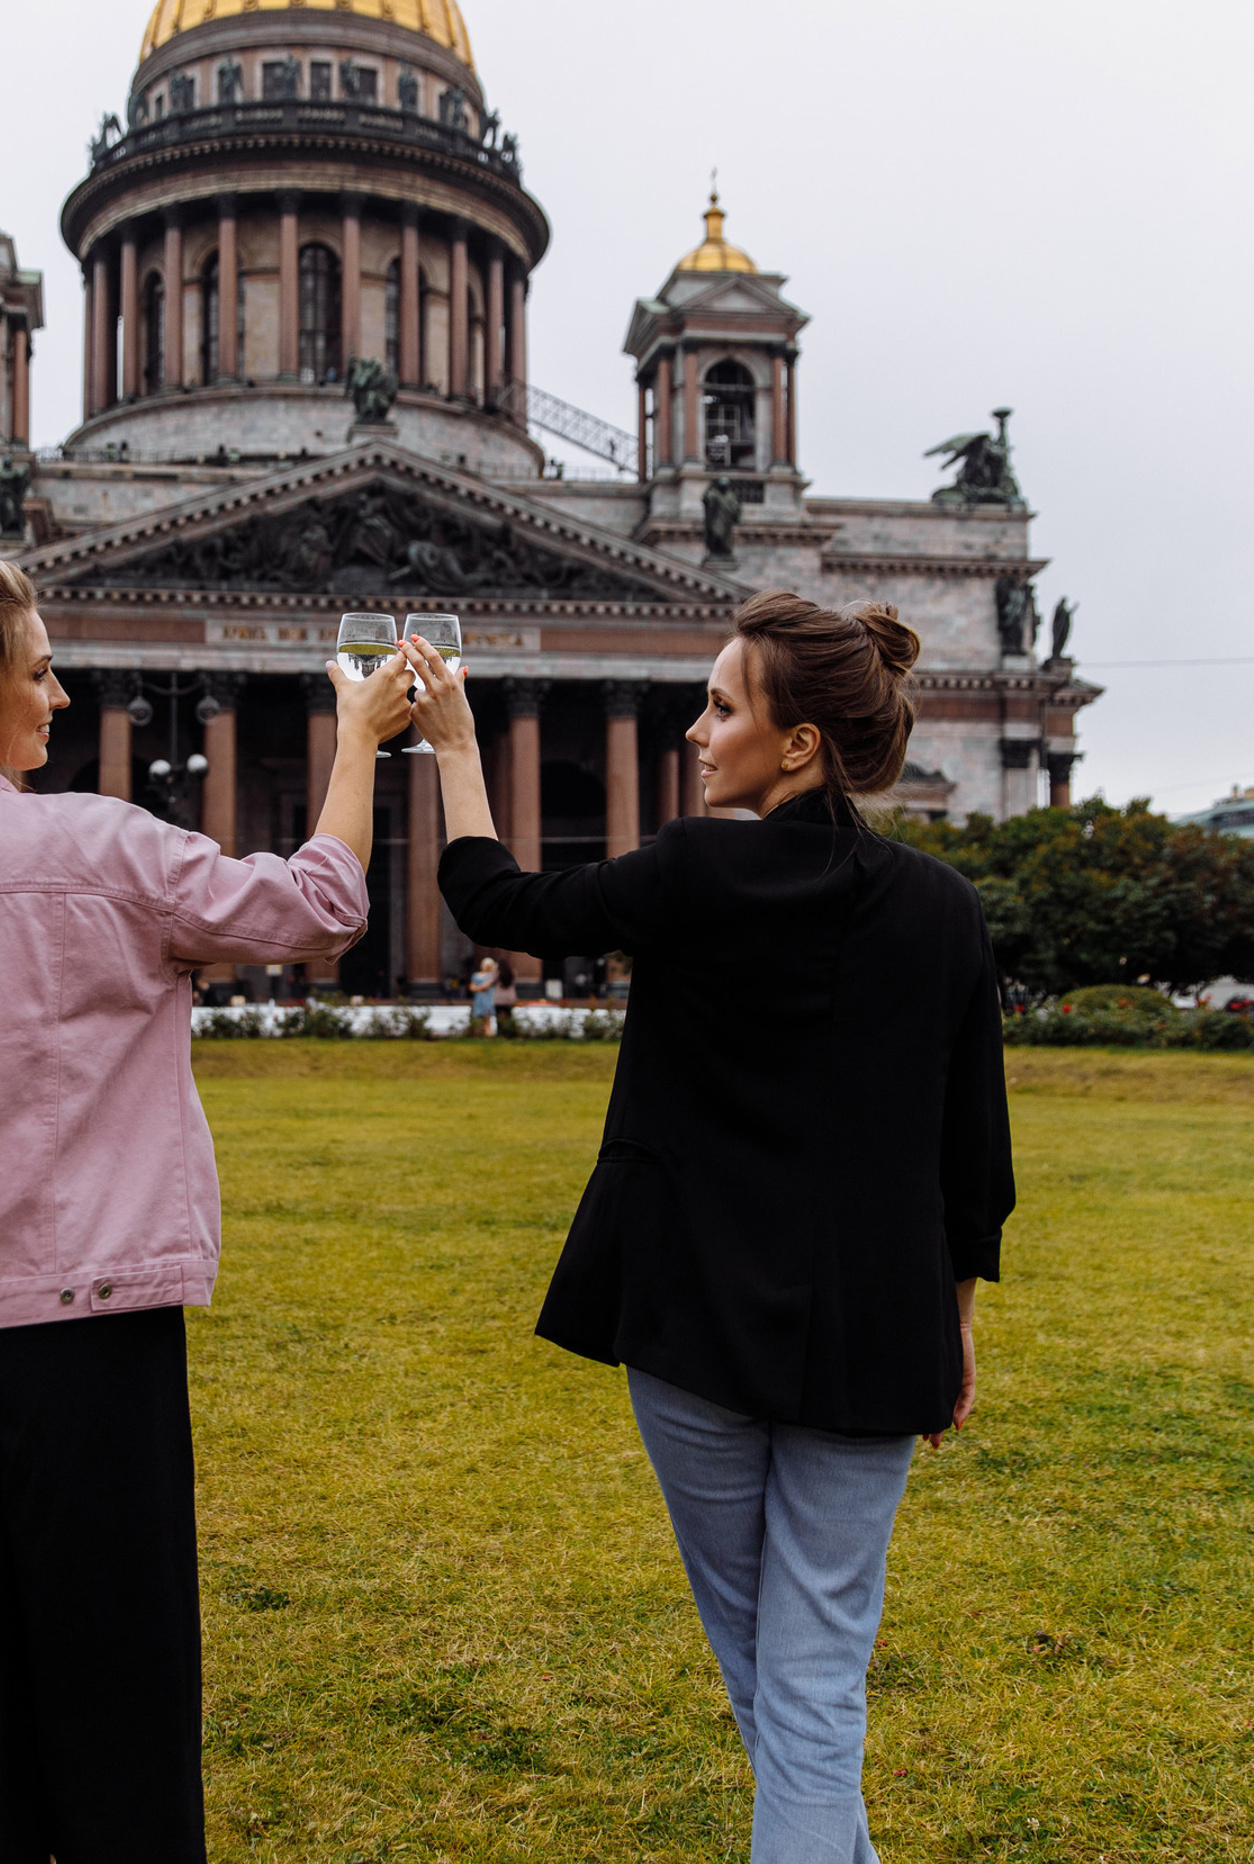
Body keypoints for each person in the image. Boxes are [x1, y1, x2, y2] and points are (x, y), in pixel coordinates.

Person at [0, 527, 414, 1863]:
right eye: (40, 674)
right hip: (83, 1328)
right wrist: (355, 740)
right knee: (115, 1700)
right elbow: (319, 907)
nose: (57, 698)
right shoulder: (102, 850)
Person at [404, 594, 1013, 1864]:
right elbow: (974, 1152)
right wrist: (956, 1324)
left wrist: (457, 748)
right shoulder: (945, 908)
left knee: (764, 1652)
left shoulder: (694, 871)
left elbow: (501, 901)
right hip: (879, 1326)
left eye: (723, 705)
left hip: (692, 1314)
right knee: (814, 1665)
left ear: (798, 745)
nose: (695, 729)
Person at [469, 953, 499, 1036]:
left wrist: (478, 988)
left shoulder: (491, 975)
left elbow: (485, 987)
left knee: (488, 1019)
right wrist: (480, 988)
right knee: (479, 1019)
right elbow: (471, 987)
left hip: (487, 998)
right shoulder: (475, 975)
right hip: (479, 999)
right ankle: (480, 1035)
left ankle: (489, 1035)